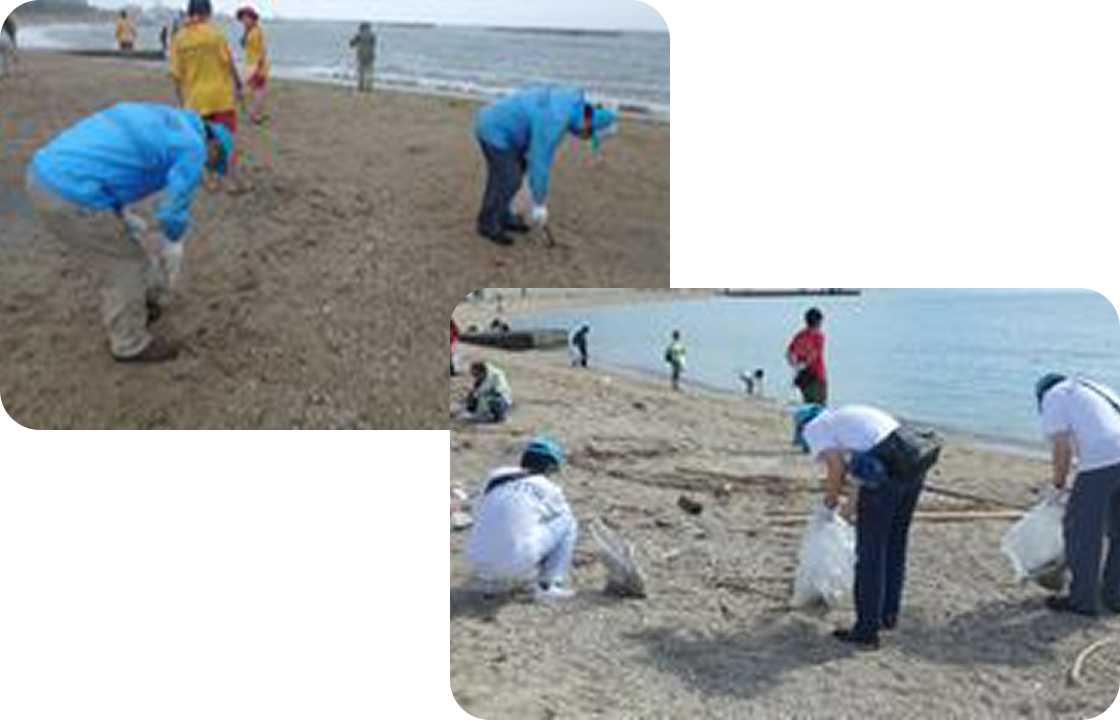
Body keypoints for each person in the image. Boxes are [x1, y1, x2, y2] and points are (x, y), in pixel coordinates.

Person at [25, 103, 233, 363]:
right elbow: (172, 213)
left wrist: (120, 213)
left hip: (43, 173)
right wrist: (175, 239)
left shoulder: (167, 119)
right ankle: (129, 344)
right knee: (125, 264)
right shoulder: (193, 146)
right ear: (213, 143)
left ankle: (144, 303)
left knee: (126, 245)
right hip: (70, 193)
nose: (207, 166)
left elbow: (117, 161)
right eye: (213, 161)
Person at [799, 405, 942, 650]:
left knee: (870, 554)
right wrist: (848, 508)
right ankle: (887, 615)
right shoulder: (848, 418)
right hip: (913, 463)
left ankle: (866, 630)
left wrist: (828, 507)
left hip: (889, 469)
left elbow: (836, 468)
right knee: (894, 545)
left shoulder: (815, 428)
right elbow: (862, 471)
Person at [474, 86, 618, 246]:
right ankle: (487, 223)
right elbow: (539, 162)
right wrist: (539, 204)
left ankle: (502, 214)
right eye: (588, 135)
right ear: (589, 125)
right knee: (509, 178)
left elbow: (536, 146)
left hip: (504, 125)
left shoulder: (571, 104)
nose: (583, 138)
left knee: (509, 173)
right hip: (493, 128)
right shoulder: (556, 119)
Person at [1035, 374, 1120, 617]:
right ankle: (1114, 596)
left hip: (1104, 460)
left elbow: (1062, 447)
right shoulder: (1095, 388)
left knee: (1082, 531)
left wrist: (1058, 485)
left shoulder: (1054, 396)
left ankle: (1082, 600)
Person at [465, 436, 578, 602]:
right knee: (568, 521)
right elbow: (553, 519)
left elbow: (480, 508)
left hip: (476, 559)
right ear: (550, 466)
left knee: (497, 519)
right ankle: (547, 585)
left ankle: (492, 582)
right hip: (516, 561)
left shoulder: (496, 475)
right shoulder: (549, 488)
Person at [170, 0, 247, 194]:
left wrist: (182, 102)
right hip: (220, 98)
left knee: (206, 141)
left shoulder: (178, 39)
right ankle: (231, 180)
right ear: (207, 13)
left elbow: (176, 76)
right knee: (226, 140)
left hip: (195, 100)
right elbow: (229, 64)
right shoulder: (215, 35)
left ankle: (210, 179)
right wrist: (238, 86)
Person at [787, 307, 828, 405]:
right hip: (816, 376)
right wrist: (804, 364)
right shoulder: (818, 336)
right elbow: (815, 354)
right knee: (819, 406)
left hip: (802, 377)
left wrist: (796, 365)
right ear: (818, 321)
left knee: (808, 403)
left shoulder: (800, 335)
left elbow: (789, 353)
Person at [236, 6, 269, 124]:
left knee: (257, 90)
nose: (244, 21)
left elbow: (261, 50)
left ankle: (254, 114)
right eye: (243, 18)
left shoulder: (256, 31)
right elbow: (246, 46)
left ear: (252, 18)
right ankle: (254, 114)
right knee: (254, 90)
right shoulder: (249, 31)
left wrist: (259, 65)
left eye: (246, 18)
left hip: (256, 65)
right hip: (250, 64)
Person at [349, 23, 376, 94]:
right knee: (369, 72)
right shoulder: (372, 36)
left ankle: (361, 87)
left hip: (361, 55)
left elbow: (351, 44)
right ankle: (369, 87)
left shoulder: (359, 35)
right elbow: (373, 45)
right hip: (370, 55)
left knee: (361, 72)